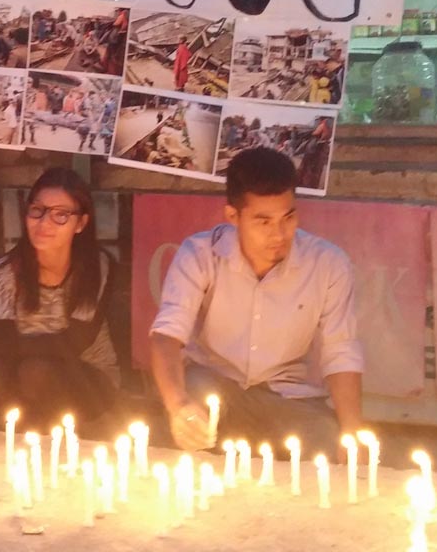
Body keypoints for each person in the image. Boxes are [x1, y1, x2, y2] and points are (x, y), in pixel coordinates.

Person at [148, 147, 363, 459]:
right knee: (190, 428)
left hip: (287, 399)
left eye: (288, 217)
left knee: (326, 447)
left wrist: (352, 430)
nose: (279, 234)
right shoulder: (200, 254)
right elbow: (167, 335)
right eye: (263, 221)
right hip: (214, 387)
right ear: (233, 216)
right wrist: (178, 404)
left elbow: (341, 352)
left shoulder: (328, 264)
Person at [0, 168, 121, 434]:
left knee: (35, 372)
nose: (44, 223)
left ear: (80, 223)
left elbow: (74, 341)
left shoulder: (96, 268)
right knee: (3, 379)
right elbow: (4, 350)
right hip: (19, 375)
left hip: (88, 381)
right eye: (37, 210)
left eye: (60, 215)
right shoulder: (4, 274)